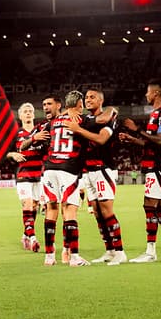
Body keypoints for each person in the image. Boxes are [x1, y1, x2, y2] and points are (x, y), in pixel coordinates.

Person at [119, 78, 161, 263]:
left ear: (156, 93)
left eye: (148, 91)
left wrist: (137, 128)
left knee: (151, 206)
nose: (146, 94)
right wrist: (132, 138)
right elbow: (150, 141)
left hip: (160, 163)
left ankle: (154, 251)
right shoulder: (156, 113)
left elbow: (160, 140)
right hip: (154, 162)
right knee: (151, 207)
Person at [64, 88, 127, 266]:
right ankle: (110, 250)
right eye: (86, 98)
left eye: (92, 97)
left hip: (103, 169)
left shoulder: (109, 119)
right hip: (88, 171)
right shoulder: (86, 120)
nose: (88, 100)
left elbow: (101, 140)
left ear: (101, 101)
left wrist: (78, 129)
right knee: (98, 213)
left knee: (107, 211)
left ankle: (120, 252)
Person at [40, 90, 91, 267]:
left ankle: (49, 256)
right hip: (68, 169)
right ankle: (74, 257)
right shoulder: (81, 120)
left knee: (51, 210)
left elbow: (40, 137)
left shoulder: (54, 121)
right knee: (70, 211)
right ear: (79, 105)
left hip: (49, 169)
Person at [6, 102, 45, 252]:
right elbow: (3, 153)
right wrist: (12, 154)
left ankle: (25, 234)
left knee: (34, 206)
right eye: (25, 111)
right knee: (28, 205)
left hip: (39, 175)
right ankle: (33, 238)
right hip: (23, 175)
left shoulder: (40, 131)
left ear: (34, 115)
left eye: (30, 111)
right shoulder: (15, 134)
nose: (28, 113)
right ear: (20, 116)